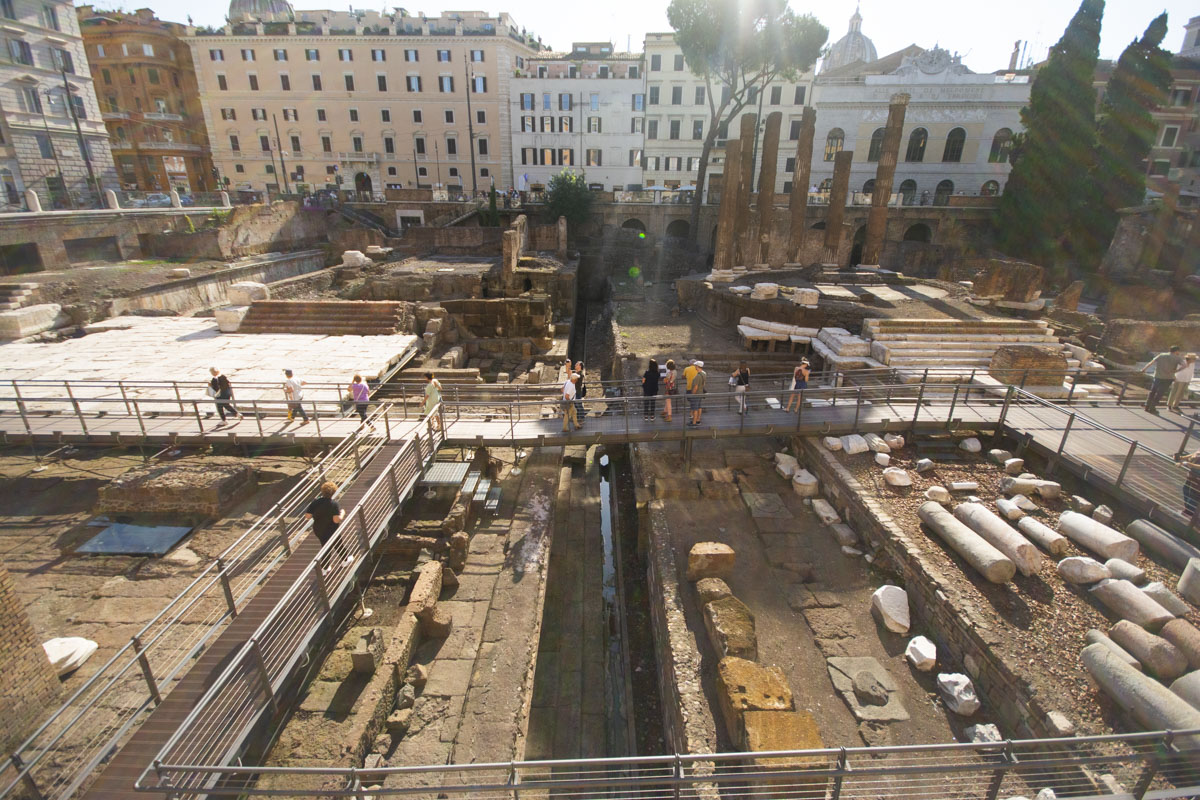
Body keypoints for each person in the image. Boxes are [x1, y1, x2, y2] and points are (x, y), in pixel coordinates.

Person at [305, 481, 343, 574]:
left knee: (333, 544)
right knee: (328, 546)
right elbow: (336, 520)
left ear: (322, 491)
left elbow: (308, 516)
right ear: (334, 492)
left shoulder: (315, 502)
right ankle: (324, 568)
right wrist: (342, 513)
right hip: (331, 529)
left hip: (318, 529)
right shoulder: (334, 504)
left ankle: (345, 559)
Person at [1143, 345, 1186, 414]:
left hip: (1157, 376)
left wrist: (1144, 369)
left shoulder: (1161, 355)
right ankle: (1152, 407)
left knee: (1153, 391)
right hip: (1168, 378)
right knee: (1160, 393)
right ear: (1177, 351)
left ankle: (1147, 405)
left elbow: (1151, 362)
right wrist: (1176, 371)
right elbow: (1184, 365)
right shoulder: (1177, 358)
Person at [1179, 450, 1200, 517]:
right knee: (1186, 489)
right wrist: (1182, 457)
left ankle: (1190, 511)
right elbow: (1195, 453)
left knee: (1194, 494)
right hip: (1192, 475)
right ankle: (1188, 509)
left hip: (1197, 478)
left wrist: (1188, 464)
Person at [689, 360, 707, 427]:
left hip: (696, 394)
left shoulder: (697, 376)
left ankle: (694, 422)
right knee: (699, 407)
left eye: (695, 366)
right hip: (700, 393)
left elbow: (695, 387)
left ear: (697, 366)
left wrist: (692, 394)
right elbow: (704, 384)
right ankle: (698, 420)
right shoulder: (704, 374)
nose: (695, 367)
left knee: (695, 408)